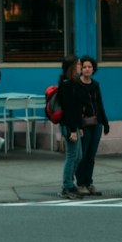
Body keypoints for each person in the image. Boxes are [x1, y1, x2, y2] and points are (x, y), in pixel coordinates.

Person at [74, 55, 109, 197]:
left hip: (97, 124)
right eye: (84, 67)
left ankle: (89, 183)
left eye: (90, 67)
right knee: (82, 155)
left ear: (93, 69)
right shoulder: (76, 84)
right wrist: (77, 126)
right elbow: (75, 107)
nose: (87, 69)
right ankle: (81, 183)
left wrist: (105, 122)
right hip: (84, 125)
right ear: (81, 69)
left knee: (91, 156)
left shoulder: (95, 85)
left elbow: (100, 104)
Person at [55, 55, 83, 199]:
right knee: (72, 156)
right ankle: (67, 186)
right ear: (72, 67)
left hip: (74, 126)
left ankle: (70, 183)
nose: (81, 66)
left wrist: (79, 127)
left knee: (78, 156)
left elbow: (77, 109)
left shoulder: (74, 83)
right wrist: (73, 130)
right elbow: (69, 110)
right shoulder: (67, 85)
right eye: (78, 64)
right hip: (68, 126)